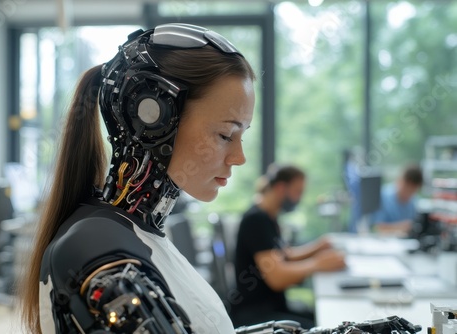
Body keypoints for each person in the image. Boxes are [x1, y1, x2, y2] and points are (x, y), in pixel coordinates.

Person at [19, 23, 256, 334]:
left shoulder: (135, 236)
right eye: (226, 134)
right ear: (153, 120)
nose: (239, 157)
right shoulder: (97, 247)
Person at [231, 164, 346, 328]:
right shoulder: (256, 220)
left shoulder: (268, 216)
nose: (299, 198)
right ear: (280, 188)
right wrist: (317, 264)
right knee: (327, 326)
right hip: (256, 314)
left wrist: (318, 247)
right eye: (297, 192)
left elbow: (285, 255)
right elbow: (276, 277)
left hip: (272, 308)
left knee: (328, 320)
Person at [372, 164, 423, 236]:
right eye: (407, 190)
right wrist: (404, 227)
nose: (408, 195)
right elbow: (378, 228)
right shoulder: (383, 196)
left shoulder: (413, 200)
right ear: (400, 181)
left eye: (412, 192)